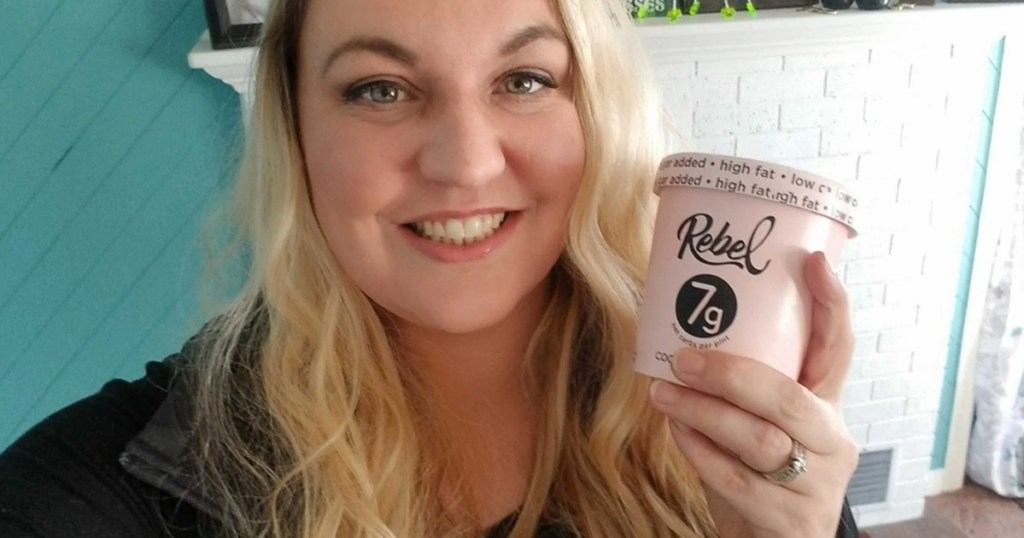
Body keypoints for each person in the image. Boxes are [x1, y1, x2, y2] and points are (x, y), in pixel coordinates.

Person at [0, 0, 861, 536]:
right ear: (296, 135)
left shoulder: (716, 411)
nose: (464, 163)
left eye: (524, 79)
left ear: (596, 114)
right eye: (380, 88)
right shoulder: (98, 489)